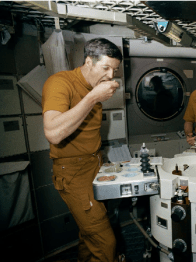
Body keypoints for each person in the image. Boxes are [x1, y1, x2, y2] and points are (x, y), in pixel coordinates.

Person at [42, 38, 123, 262]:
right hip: (74, 173)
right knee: (106, 242)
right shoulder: (60, 83)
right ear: (88, 61)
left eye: (114, 70)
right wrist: (92, 98)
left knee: (89, 236)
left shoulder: (93, 87)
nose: (110, 76)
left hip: (95, 165)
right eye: (105, 68)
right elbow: (53, 132)